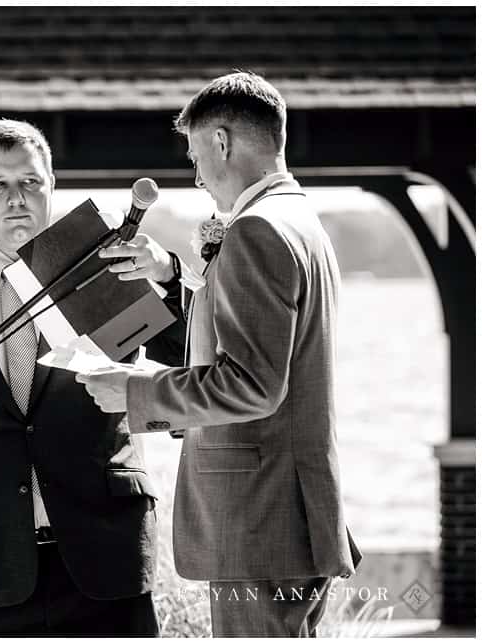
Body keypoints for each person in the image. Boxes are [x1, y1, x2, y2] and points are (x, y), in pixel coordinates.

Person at [77, 72, 362, 637]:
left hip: (259, 522)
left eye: (194, 155)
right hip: (289, 511)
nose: (197, 176)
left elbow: (252, 384)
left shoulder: (256, 230)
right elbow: (255, 335)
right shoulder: (299, 222)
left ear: (222, 143)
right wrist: (171, 274)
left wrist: (133, 392)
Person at [0, 119, 187, 636]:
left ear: (52, 187)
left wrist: (168, 273)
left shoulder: (105, 265)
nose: (16, 198)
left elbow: (189, 352)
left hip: (105, 549)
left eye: (30, 182)